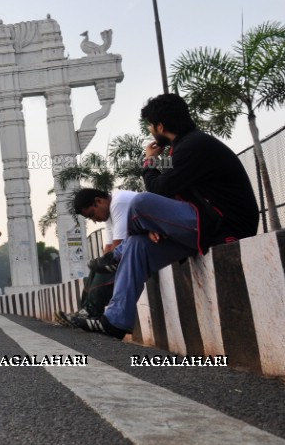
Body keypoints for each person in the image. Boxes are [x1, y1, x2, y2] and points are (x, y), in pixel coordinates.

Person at [62, 93, 258, 338]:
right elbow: (172, 195)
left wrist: (149, 162)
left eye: (150, 126)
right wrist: (154, 225)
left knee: (141, 202)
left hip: (225, 226)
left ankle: (116, 256)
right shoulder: (184, 147)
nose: (150, 131)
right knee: (137, 245)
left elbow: (157, 190)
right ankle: (114, 321)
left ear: (160, 127)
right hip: (206, 225)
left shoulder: (195, 145)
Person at [55, 188, 136, 327]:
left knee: (104, 265)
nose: (94, 220)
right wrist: (99, 265)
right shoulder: (109, 213)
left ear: (99, 201)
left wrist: (102, 264)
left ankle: (91, 312)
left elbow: (116, 250)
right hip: (135, 247)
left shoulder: (119, 202)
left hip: (150, 242)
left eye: (92, 214)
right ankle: (86, 310)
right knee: (98, 266)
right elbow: (108, 249)